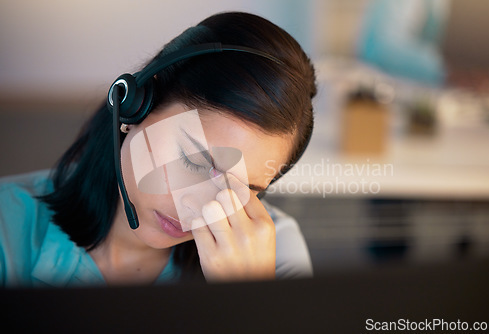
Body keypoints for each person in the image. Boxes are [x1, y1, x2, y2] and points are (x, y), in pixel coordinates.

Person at [0, 12, 317, 287]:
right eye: (193, 161)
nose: (197, 208)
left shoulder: (275, 252)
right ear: (134, 108)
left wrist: (247, 302)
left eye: (243, 189)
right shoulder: (6, 226)